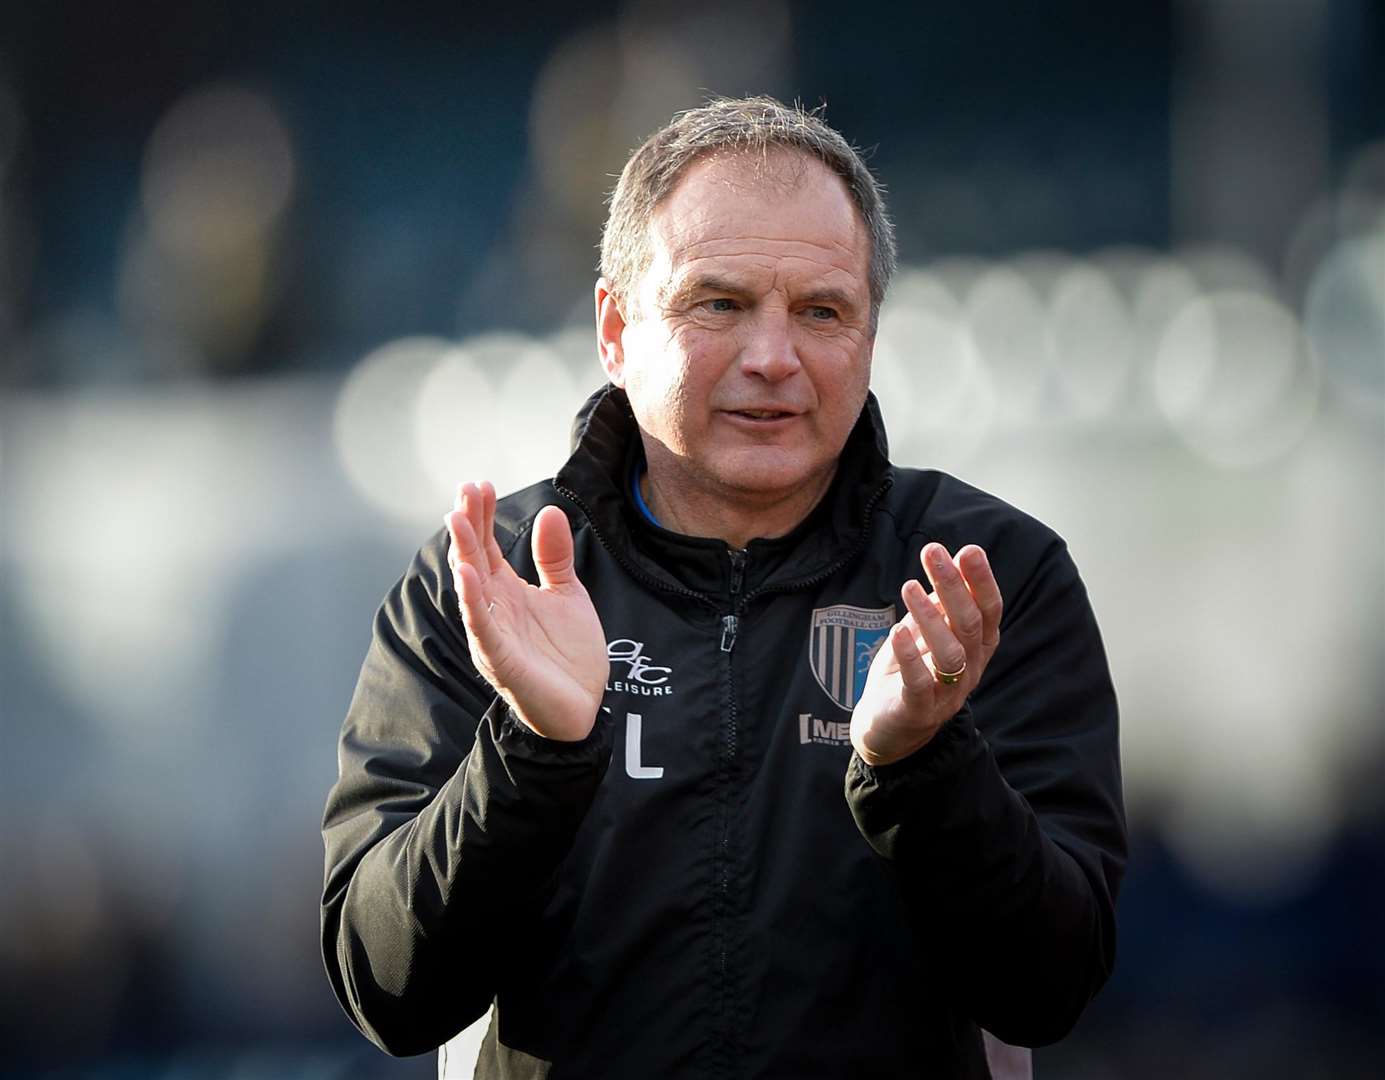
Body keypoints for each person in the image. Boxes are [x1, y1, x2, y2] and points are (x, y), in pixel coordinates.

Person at [321, 96, 1126, 1079]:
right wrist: (532, 757)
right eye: (720, 303)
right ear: (615, 328)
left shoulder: (982, 582)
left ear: (870, 334)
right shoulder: (491, 583)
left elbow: (1049, 984)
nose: (772, 358)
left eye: (820, 311)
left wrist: (922, 766)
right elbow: (386, 989)